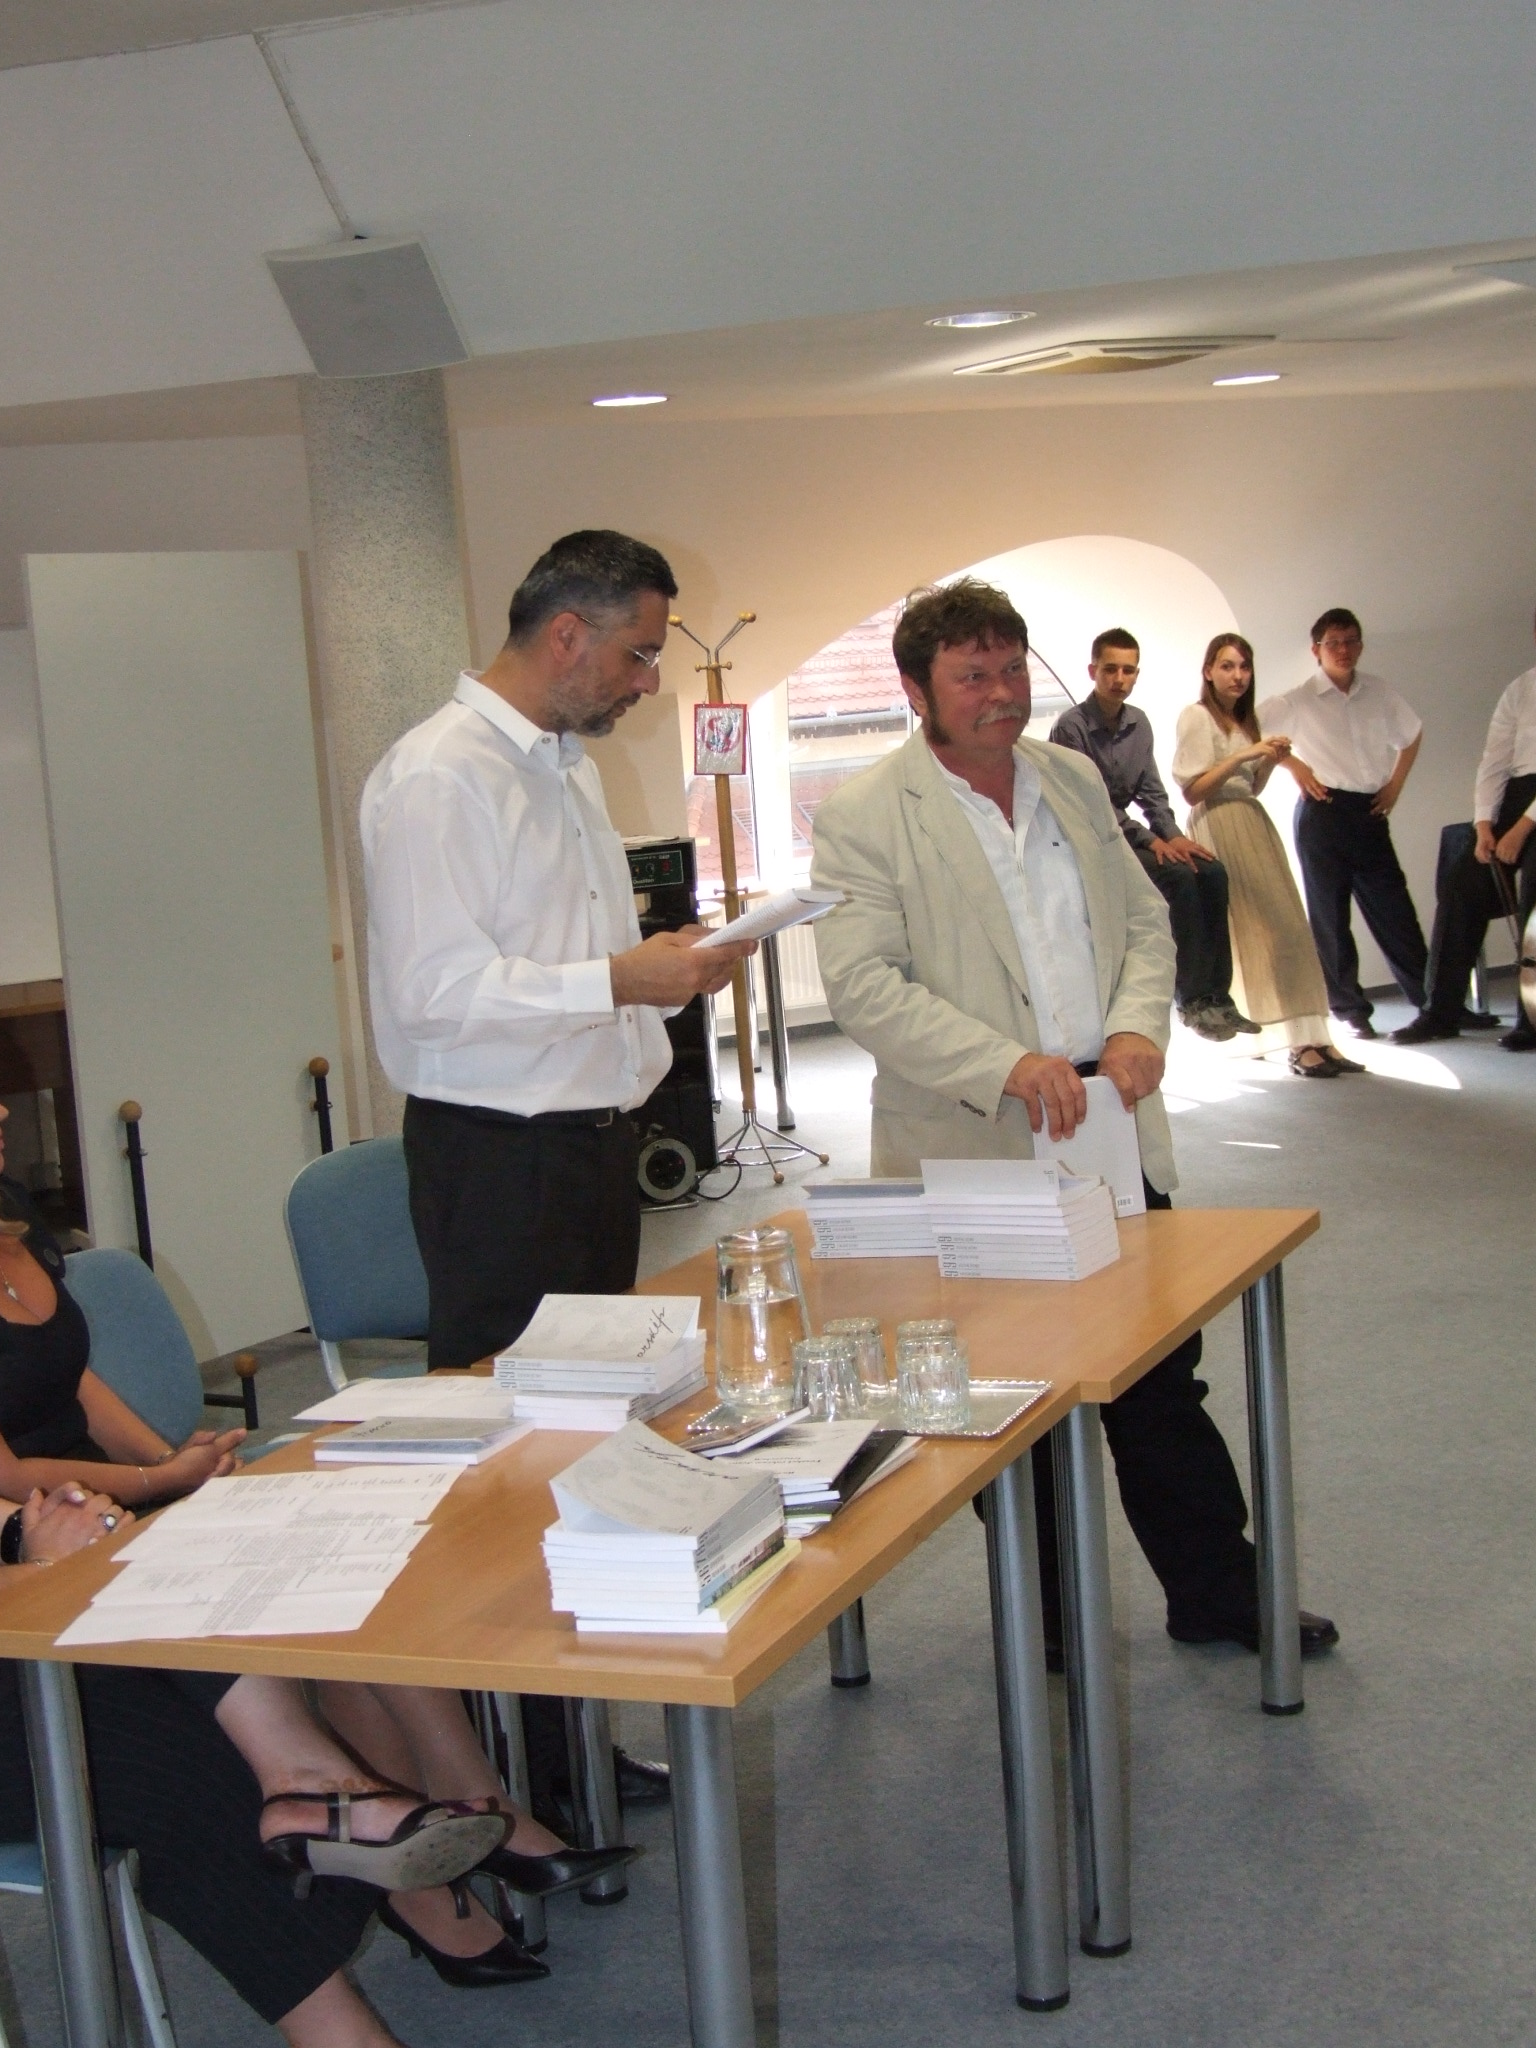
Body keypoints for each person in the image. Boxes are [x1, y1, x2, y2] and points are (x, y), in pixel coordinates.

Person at [811, 580, 1336, 1661]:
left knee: (1159, 1378)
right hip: (973, 1133)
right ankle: (1049, 1617)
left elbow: (1143, 919)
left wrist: (1139, 1023)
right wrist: (1004, 1065)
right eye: (972, 676)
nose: (1001, 694)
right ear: (916, 688)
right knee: (1010, 1392)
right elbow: (864, 987)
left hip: (1105, 1120)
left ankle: (1218, 1592)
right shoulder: (865, 814)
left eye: (1012, 669)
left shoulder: (1072, 778)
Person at [0, 1107, 630, 1990]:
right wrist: (155, 1482)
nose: (4, 1112)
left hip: (118, 1494)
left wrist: (171, 1461)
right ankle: (443, 1856)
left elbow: (75, 1380)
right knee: (297, 1597)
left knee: (358, 1573)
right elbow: (11, 1471)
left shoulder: (14, 1218)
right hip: (48, 1524)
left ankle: (459, 1823)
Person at [360, 529, 753, 1824]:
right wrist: (618, 977)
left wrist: (665, 971)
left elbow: (569, 967)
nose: (650, 679)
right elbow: (437, 993)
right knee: (509, 1467)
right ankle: (515, 1771)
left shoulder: (565, 767)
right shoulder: (439, 775)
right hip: (498, 1160)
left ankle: (576, 1737)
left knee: (594, 1447)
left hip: (586, 1146)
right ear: (566, 635)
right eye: (638, 652)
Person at [1172, 635, 1364, 1079]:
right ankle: (1297, 1043)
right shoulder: (1197, 716)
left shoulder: (1245, 720)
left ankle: (1316, 1036)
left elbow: (1250, 786)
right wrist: (1247, 753)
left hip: (1251, 820)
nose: (1238, 675)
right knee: (1267, 931)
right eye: (1227, 666)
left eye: (1244, 667)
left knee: (1291, 929)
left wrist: (1270, 761)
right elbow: (1194, 789)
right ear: (1208, 671)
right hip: (1219, 822)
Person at [1051, 627, 1256, 1042]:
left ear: (1136, 674)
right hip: (1090, 838)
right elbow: (1091, 804)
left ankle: (1218, 997)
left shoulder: (1138, 723)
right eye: (1110, 669)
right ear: (1092, 671)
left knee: (1211, 870)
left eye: (1128, 670)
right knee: (1177, 876)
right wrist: (1150, 840)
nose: (1119, 679)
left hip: (1127, 834)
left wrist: (1174, 835)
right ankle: (1193, 1000)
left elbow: (1151, 791)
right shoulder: (1072, 727)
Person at [1260, 608, 1428, 1037]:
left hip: (1369, 810)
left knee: (1396, 912)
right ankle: (1350, 1010)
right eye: (1333, 642)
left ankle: (1432, 1002)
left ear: (1361, 645)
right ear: (1316, 649)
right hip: (1323, 811)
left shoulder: (1378, 691)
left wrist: (1395, 785)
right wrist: (1294, 765)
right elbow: (1249, 732)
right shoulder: (1298, 699)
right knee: (1330, 918)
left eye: (1351, 641)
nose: (1343, 650)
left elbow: (1411, 735)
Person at [1392, 616, 1536, 1048]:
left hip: (1533, 815)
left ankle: (1532, 1018)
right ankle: (1441, 1011)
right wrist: (1484, 824)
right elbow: (1495, 761)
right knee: (1462, 886)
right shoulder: (1520, 689)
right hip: (1518, 794)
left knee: (1533, 893)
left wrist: (1522, 829)